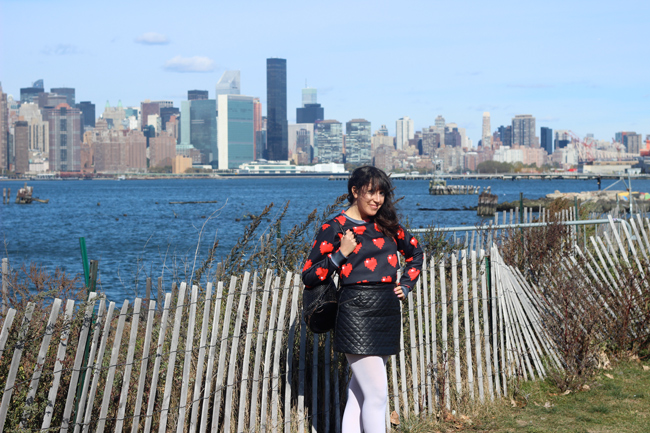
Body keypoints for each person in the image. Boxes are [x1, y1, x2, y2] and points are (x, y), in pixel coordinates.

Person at [302, 166, 423, 433]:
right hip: (355, 312)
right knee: (377, 395)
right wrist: (340, 254)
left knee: (359, 394)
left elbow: (416, 253)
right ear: (355, 191)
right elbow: (309, 275)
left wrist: (406, 284)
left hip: (387, 309)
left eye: (381, 193)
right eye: (371, 192)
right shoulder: (335, 227)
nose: (377, 200)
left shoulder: (387, 224)